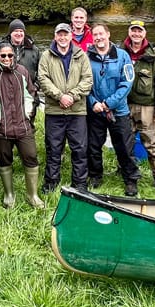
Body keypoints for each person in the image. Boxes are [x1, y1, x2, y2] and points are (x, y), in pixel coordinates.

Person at [36, 23, 92, 194]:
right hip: (55, 110)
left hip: (77, 111)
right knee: (53, 148)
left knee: (80, 148)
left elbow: (87, 80)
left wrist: (72, 96)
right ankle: (51, 181)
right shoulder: (46, 56)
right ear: (55, 36)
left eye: (65, 34)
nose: (62, 37)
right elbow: (43, 79)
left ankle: (80, 183)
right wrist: (60, 96)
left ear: (71, 36)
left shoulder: (81, 55)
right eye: (59, 34)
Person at [86, 23, 140, 197]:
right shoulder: (87, 57)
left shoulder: (123, 56)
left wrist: (109, 103)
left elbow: (127, 83)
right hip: (95, 111)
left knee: (124, 146)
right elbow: (84, 83)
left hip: (119, 111)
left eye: (101, 34)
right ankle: (95, 176)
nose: (98, 37)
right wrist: (93, 102)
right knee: (93, 146)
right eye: (95, 35)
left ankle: (130, 179)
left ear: (108, 34)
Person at [0, 42, 44, 209]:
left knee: (31, 157)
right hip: (1, 128)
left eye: (10, 55)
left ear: (14, 56)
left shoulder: (22, 71)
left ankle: (32, 195)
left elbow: (31, 93)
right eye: (3, 55)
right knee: (4, 160)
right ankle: (9, 195)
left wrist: (28, 114)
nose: (7, 58)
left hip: (22, 126)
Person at [122, 20, 155, 188]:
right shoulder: (121, 53)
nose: (136, 34)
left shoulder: (154, 56)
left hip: (147, 107)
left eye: (139, 31)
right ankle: (127, 172)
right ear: (129, 32)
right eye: (133, 30)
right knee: (125, 141)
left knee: (152, 143)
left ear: (144, 34)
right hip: (124, 105)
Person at [0, 19, 41, 121]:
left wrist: (35, 86)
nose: (19, 34)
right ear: (10, 33)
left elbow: (42, 72)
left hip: (29, 94)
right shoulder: (1, 49)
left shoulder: (34, 50)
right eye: (15, 31)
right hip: (7, 95)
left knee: (28, 124)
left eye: (21, 31)